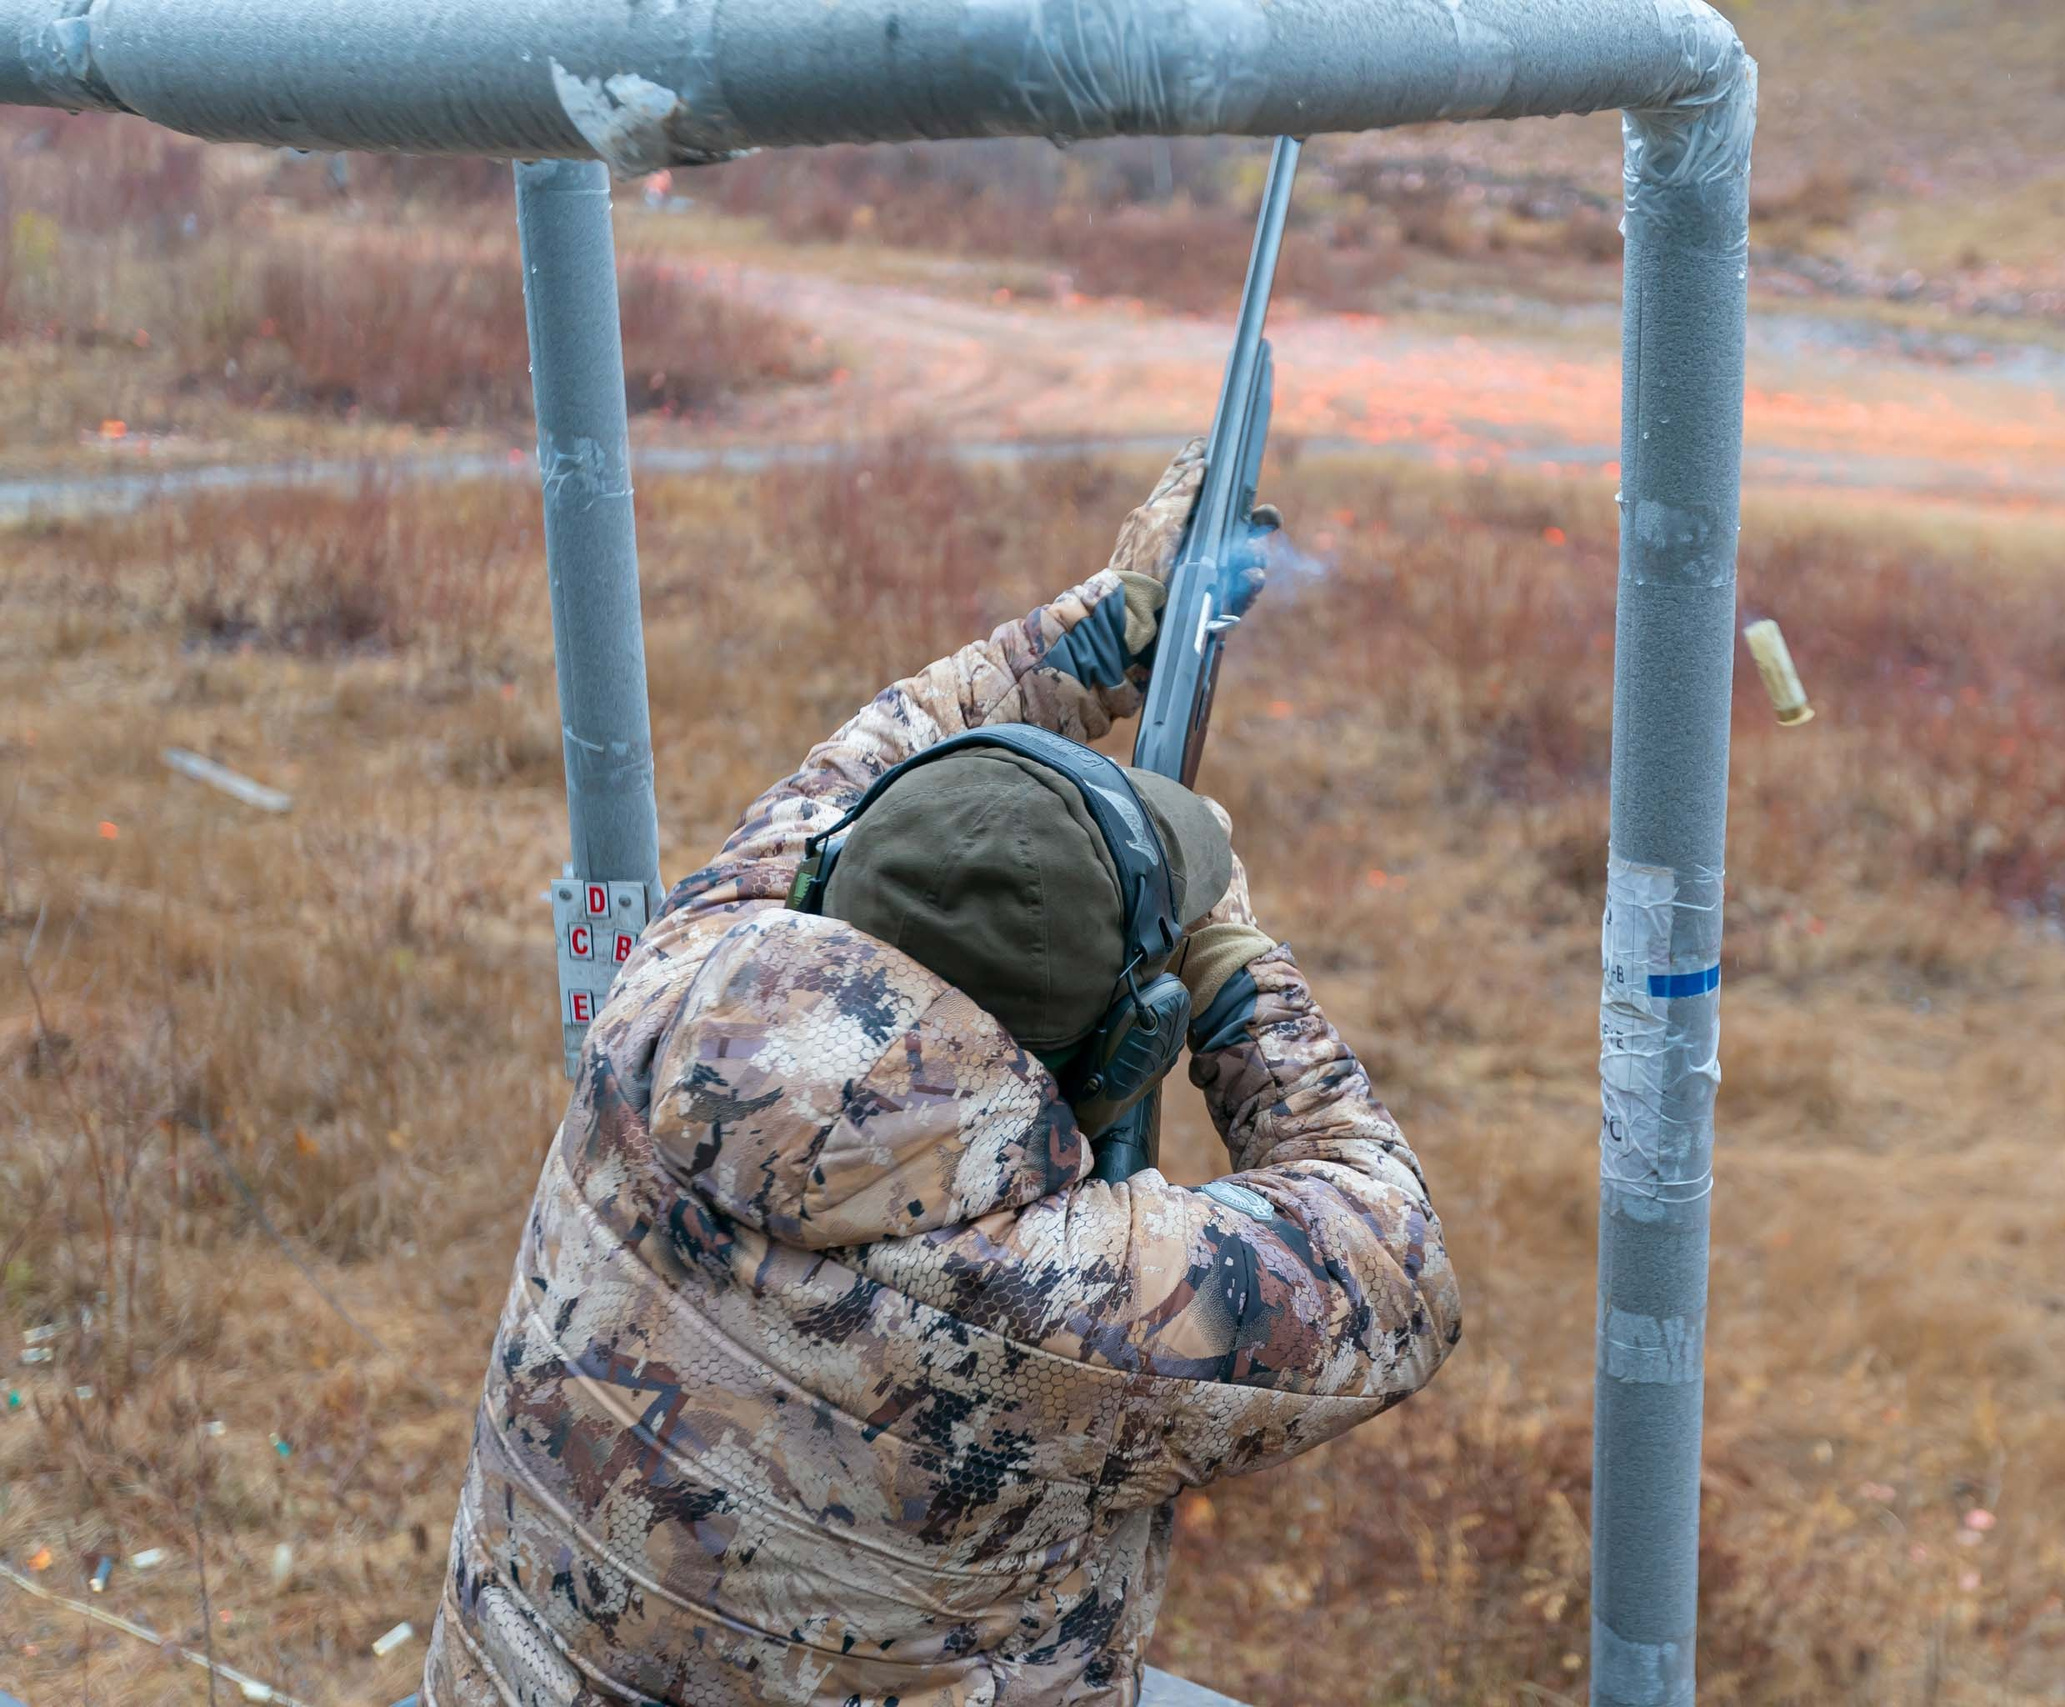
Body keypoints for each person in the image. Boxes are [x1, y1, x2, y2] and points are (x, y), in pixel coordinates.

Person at [420, 444, 1461, 1707]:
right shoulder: (1057, 1297)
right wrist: (1237, 969)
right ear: (1128, 1044)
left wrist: (1098, 634)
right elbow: (1394, 1267)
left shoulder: (669, 998)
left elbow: (851, 776)